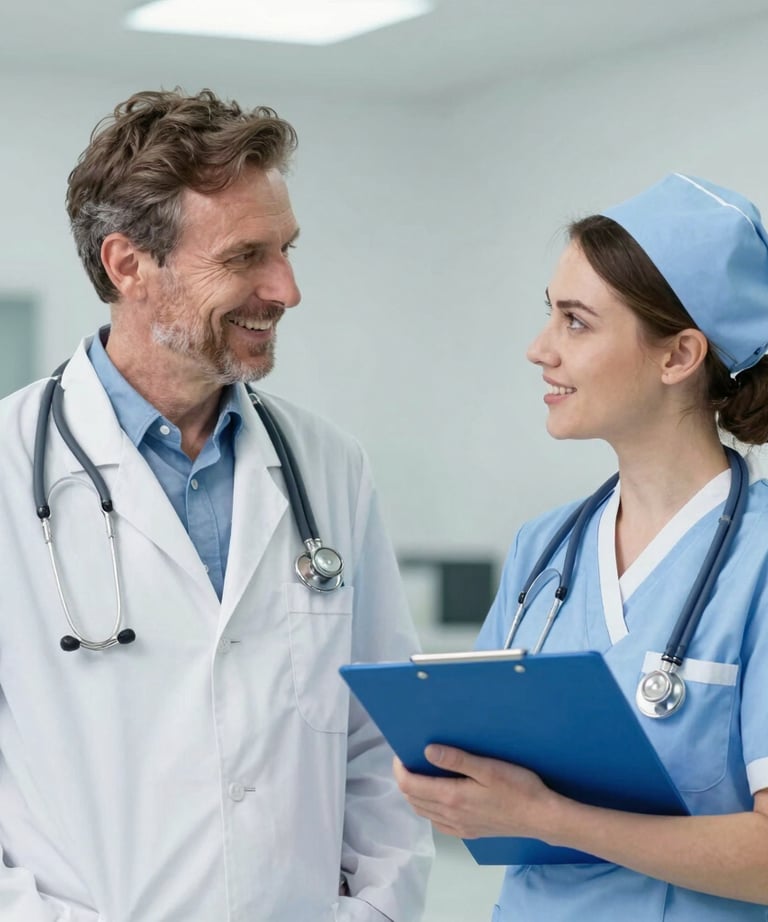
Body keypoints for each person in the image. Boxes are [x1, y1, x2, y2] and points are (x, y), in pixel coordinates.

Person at [0, 88, 432, 921]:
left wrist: (373, 911)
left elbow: (382, 737)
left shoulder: (327, 467)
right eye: (245, 258)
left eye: (287, 250)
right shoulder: (12, 465)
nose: (287, 289)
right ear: (128, 265)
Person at [394, 173, 768, 920]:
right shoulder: (547, 547)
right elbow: (485, 779)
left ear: (679, 355)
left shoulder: (758, 558)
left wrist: (547, 818)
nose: (539, 350)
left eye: (576, 322)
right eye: (549, 316)